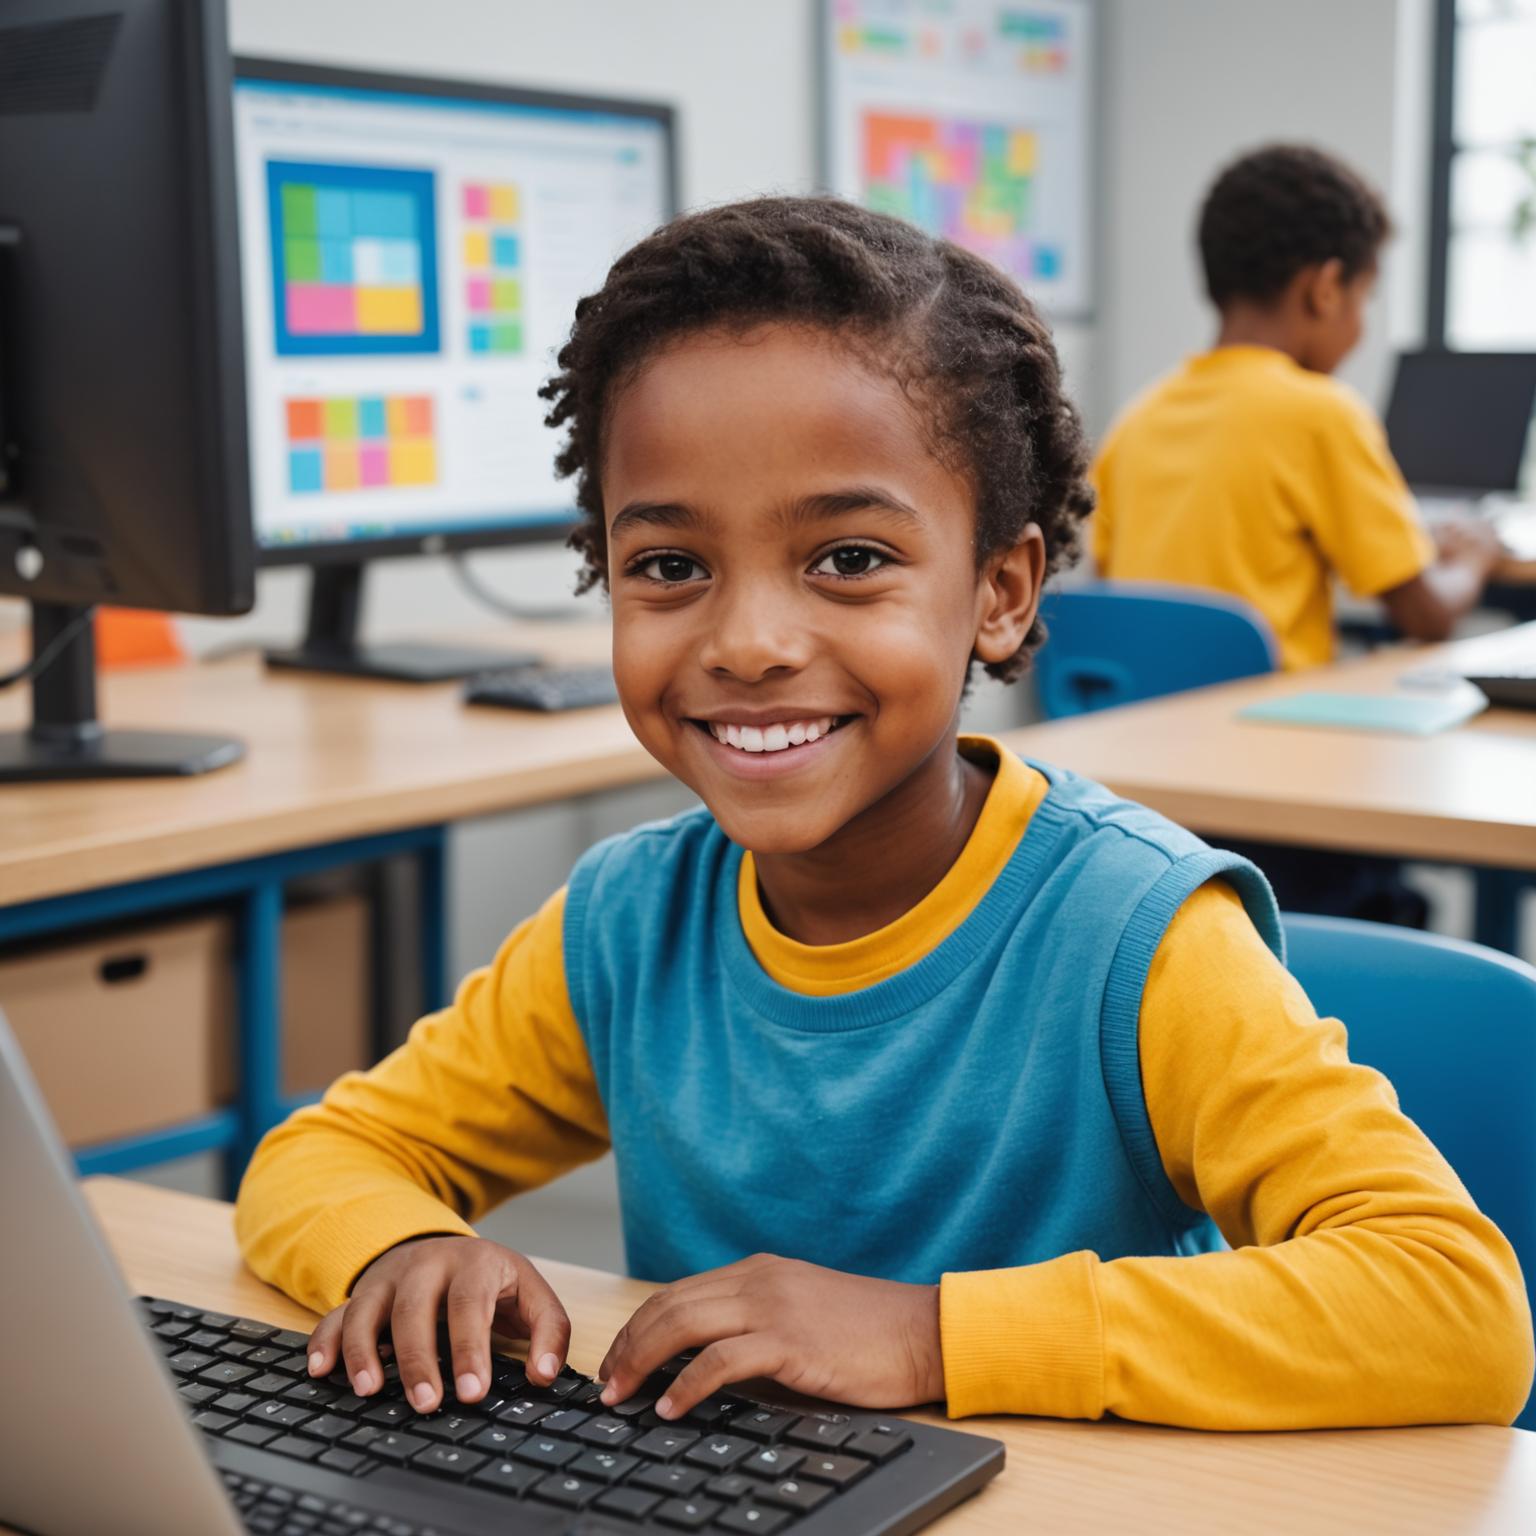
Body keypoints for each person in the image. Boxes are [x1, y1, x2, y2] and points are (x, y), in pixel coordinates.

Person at [236, 197, 1531, 1432]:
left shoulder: (1132, 939)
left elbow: (1455, 1308)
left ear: (1002, 593)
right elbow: (322, 1153)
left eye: (848, 559)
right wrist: (405, 1244)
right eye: (670, 566)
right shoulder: (631, 923)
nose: (747, 643)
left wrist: (930, 1336)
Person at [1091, 143, 1503, 671]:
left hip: (1140, 733)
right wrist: (1472, 560)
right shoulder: (1321, 414)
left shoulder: (1137, 421)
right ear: (1326, 290)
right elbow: (1426, 616)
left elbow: (1114, 594)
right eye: (1364, 300)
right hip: (1269, 737)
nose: (1361, 326)